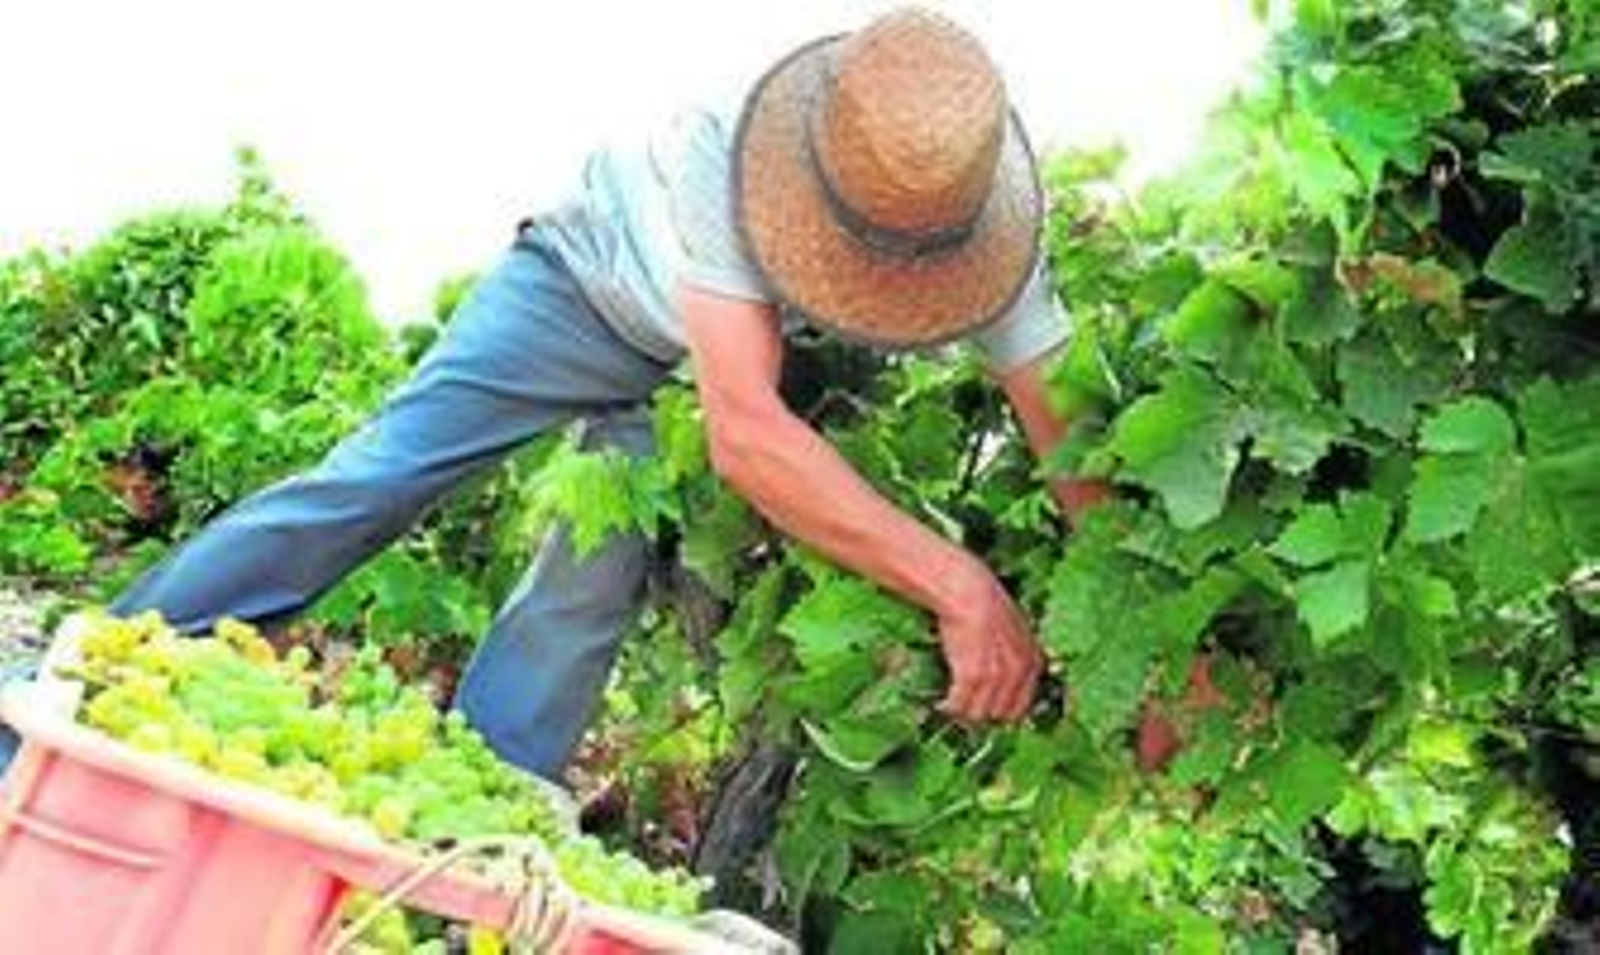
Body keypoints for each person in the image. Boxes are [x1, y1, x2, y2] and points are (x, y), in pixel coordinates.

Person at [1, 7, 1106, 780]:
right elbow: (748, 436)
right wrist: (960, 586)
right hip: (585, 289)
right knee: (374, 483)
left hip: (730, 370)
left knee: (584, 597)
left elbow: (1072, 449)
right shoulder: (734, 142)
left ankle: (461, 850)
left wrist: (1152, 657)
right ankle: (73, 698)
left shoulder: (984, 228)